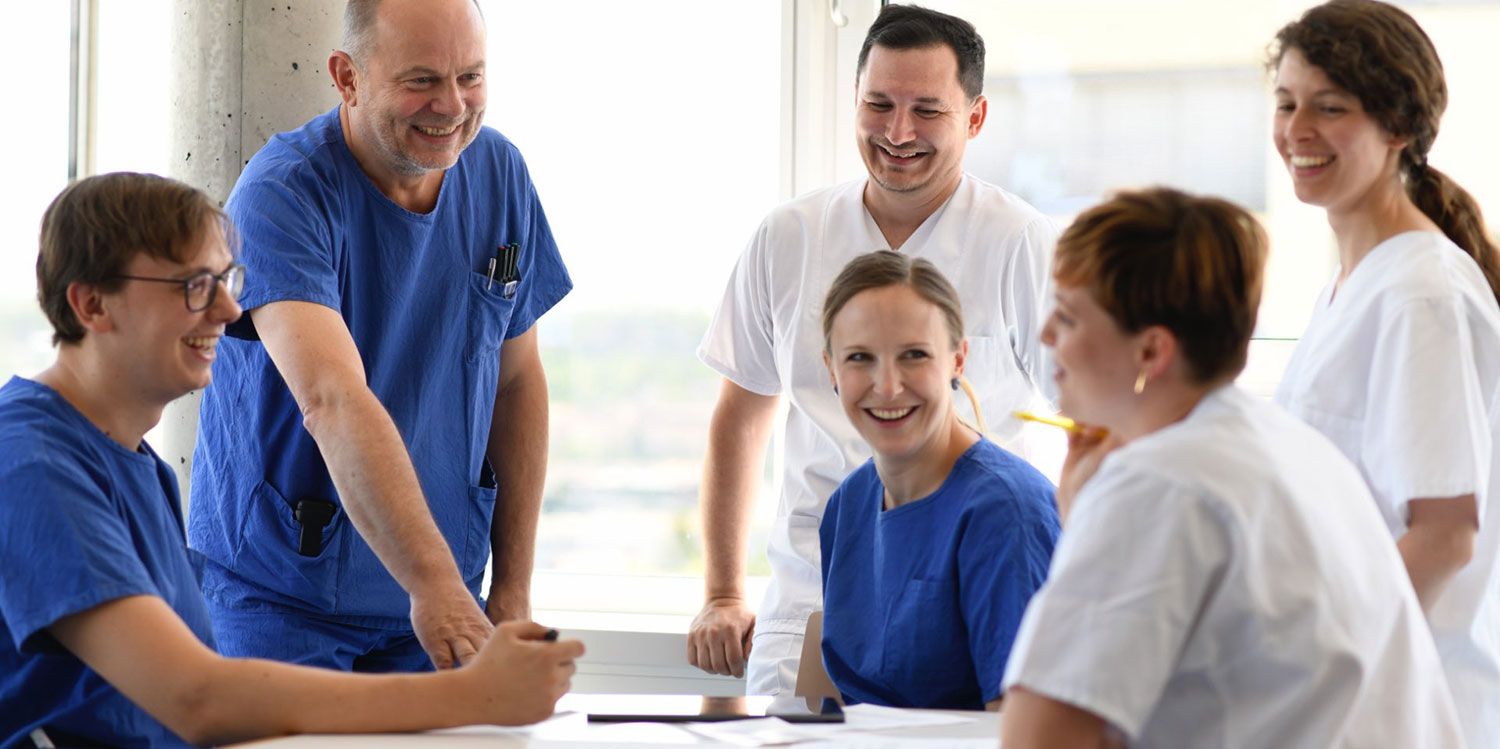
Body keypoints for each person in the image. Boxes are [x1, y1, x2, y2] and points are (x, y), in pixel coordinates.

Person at [0, 173, 583, 749]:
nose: (230, 310)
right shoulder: (33, 463)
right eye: (194, 286)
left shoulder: (131, 461)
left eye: (227, 280)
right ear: (92, 304)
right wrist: (473, 697)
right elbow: (194, 699)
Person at [998, 188, 1464, 747]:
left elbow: (1040, 736)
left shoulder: (1157, 484)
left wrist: (1092, 527)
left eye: (1068, 318)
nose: (1046, 336)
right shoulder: (1292, 448)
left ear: (1151, 352)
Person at [187, 0, 572, 672]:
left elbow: (517, 382)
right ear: (346, 77)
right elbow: (331, 398)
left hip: (442, 600)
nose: (451, 106)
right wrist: (437, 586)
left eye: (471, 77)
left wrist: (510, 590)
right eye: (420, 80)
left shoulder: (500, 173)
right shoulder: (283, 194)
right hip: (282, 603)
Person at [689, 4, 1056, 695]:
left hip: (960, 583)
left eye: (926, 111)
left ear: (974, 118)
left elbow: (1094, 416)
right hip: (811, 583)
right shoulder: (790, 236)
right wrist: (722, 589)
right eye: (878, 105)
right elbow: (739, 418)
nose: (897, 132)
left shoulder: (1018, 241)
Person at [1267, 2, 1500, 744]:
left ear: (1398, 126)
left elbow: (1444, 534)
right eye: (1285, 102)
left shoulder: (1419, 294)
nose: (1297, 130)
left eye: (1329, 108)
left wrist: (1317, 664)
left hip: (1401, 701)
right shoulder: (1355, 280)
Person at [816, 251, 1057, 710]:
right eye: (860, 358)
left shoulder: (1006, 512)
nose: (887, 386)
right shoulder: (849, 504)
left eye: (914, 356)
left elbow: (1022, 726)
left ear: (958, 359)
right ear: (830, 368)